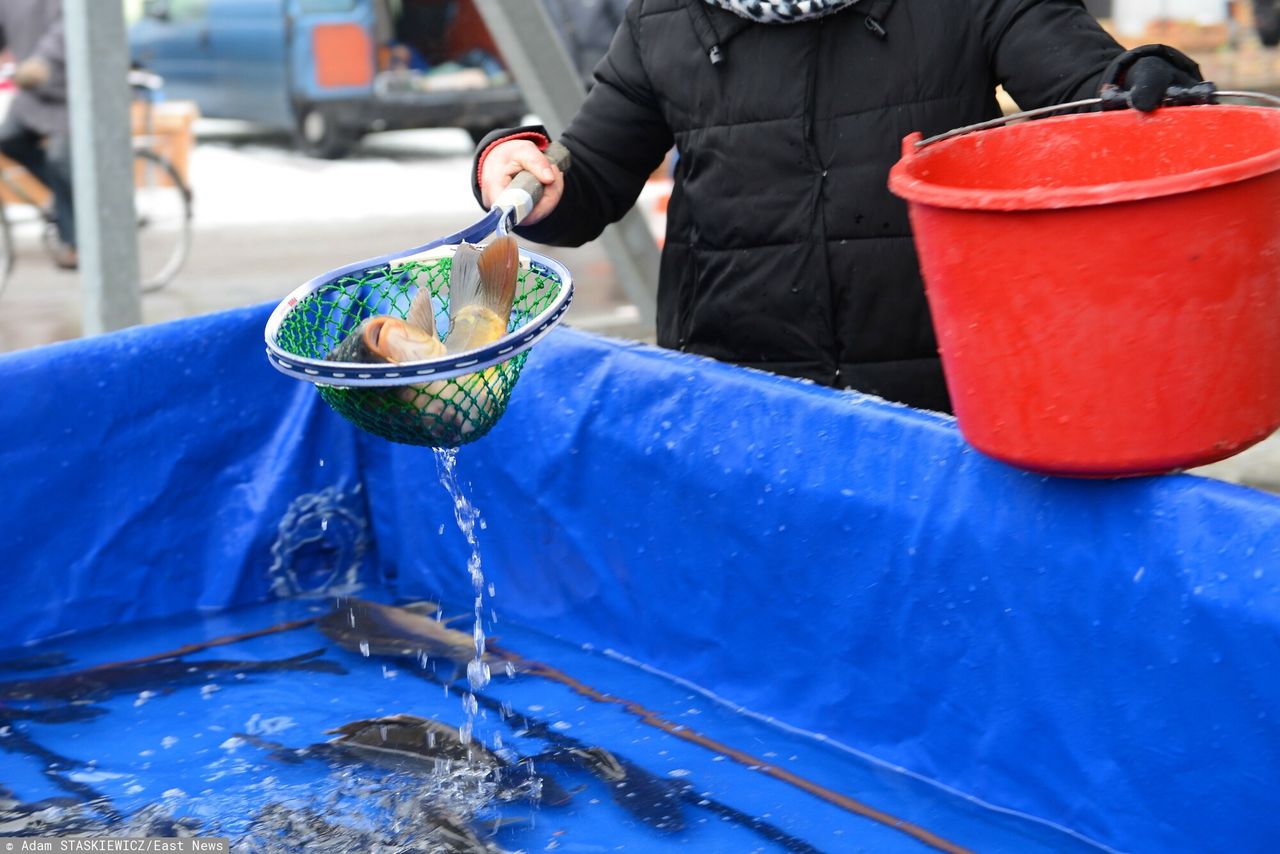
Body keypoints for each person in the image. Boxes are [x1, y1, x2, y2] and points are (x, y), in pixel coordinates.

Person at [472, 0, 1203, 413]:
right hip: (736, 398)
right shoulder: (664, 16)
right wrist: (528, 174)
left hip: (940, 399)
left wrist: (1139, 81)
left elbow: (1086, 88)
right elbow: (591, 173)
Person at [0, 0, 74, 269]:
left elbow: (66, 28)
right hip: (34, 92)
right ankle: (62, 197)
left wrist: (42, 59)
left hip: (73, 92)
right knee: (8, 139)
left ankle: (76, 242)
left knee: (60, 159)